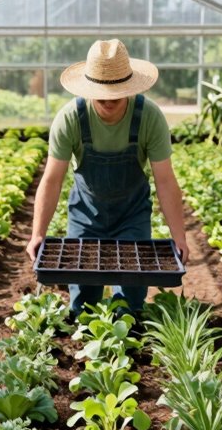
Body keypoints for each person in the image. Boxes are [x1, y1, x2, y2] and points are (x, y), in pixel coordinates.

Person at [25, 38, 190, 316]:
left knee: (130, 304)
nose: (108, 99)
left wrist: (179, 237)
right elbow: (52, 180)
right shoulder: (70, 118)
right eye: (101, 91)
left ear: (129, 87)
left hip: (132, 216)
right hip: (86, 216)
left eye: (115, 91)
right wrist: (37, 233)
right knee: (83, 304)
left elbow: (165, 181)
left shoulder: (149, 117)